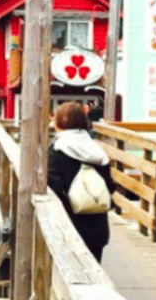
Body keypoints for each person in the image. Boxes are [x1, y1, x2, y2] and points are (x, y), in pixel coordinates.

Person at [47, 102, 114, 262]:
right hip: (97, 225)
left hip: (67, 224)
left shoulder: (57, 148)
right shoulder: (96, 149)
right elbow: (110, 186)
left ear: (59, 123)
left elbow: (53, 186)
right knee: (94, 270)